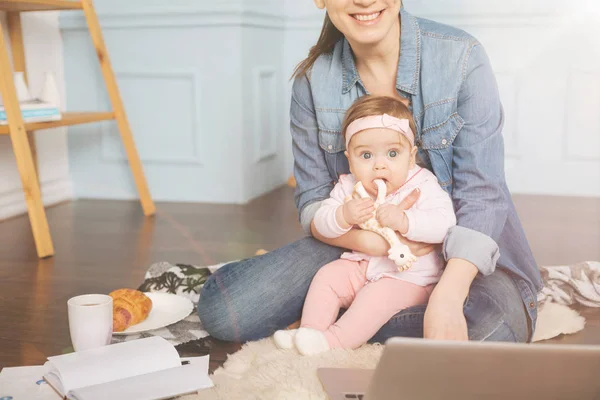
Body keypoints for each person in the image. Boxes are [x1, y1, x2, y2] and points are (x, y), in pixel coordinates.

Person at [198, 0, 543, 344]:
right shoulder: (312, 81)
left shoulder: (462, 57)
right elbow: (314, 200)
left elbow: (483, 195)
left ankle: (341, 320)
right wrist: (374, 243)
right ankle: (355, 316)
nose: (364, 1)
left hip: (464, 254)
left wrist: (448, 296)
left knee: (490, 330)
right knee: (224, 311)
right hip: (358, 246)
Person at [273, 95, 457, 355]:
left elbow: (445, 224)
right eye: (366, 155)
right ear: (350, 159)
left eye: (393, 153)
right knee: (327, 277)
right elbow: (321, 223)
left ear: (411, 156)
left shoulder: (422, 183)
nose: (379, 164)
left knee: (374, 299)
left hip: (409, 277)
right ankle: (310, 331)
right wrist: (343, 216)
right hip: (362, 263)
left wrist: (406, 221)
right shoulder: (349, 186)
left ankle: (331, 342)